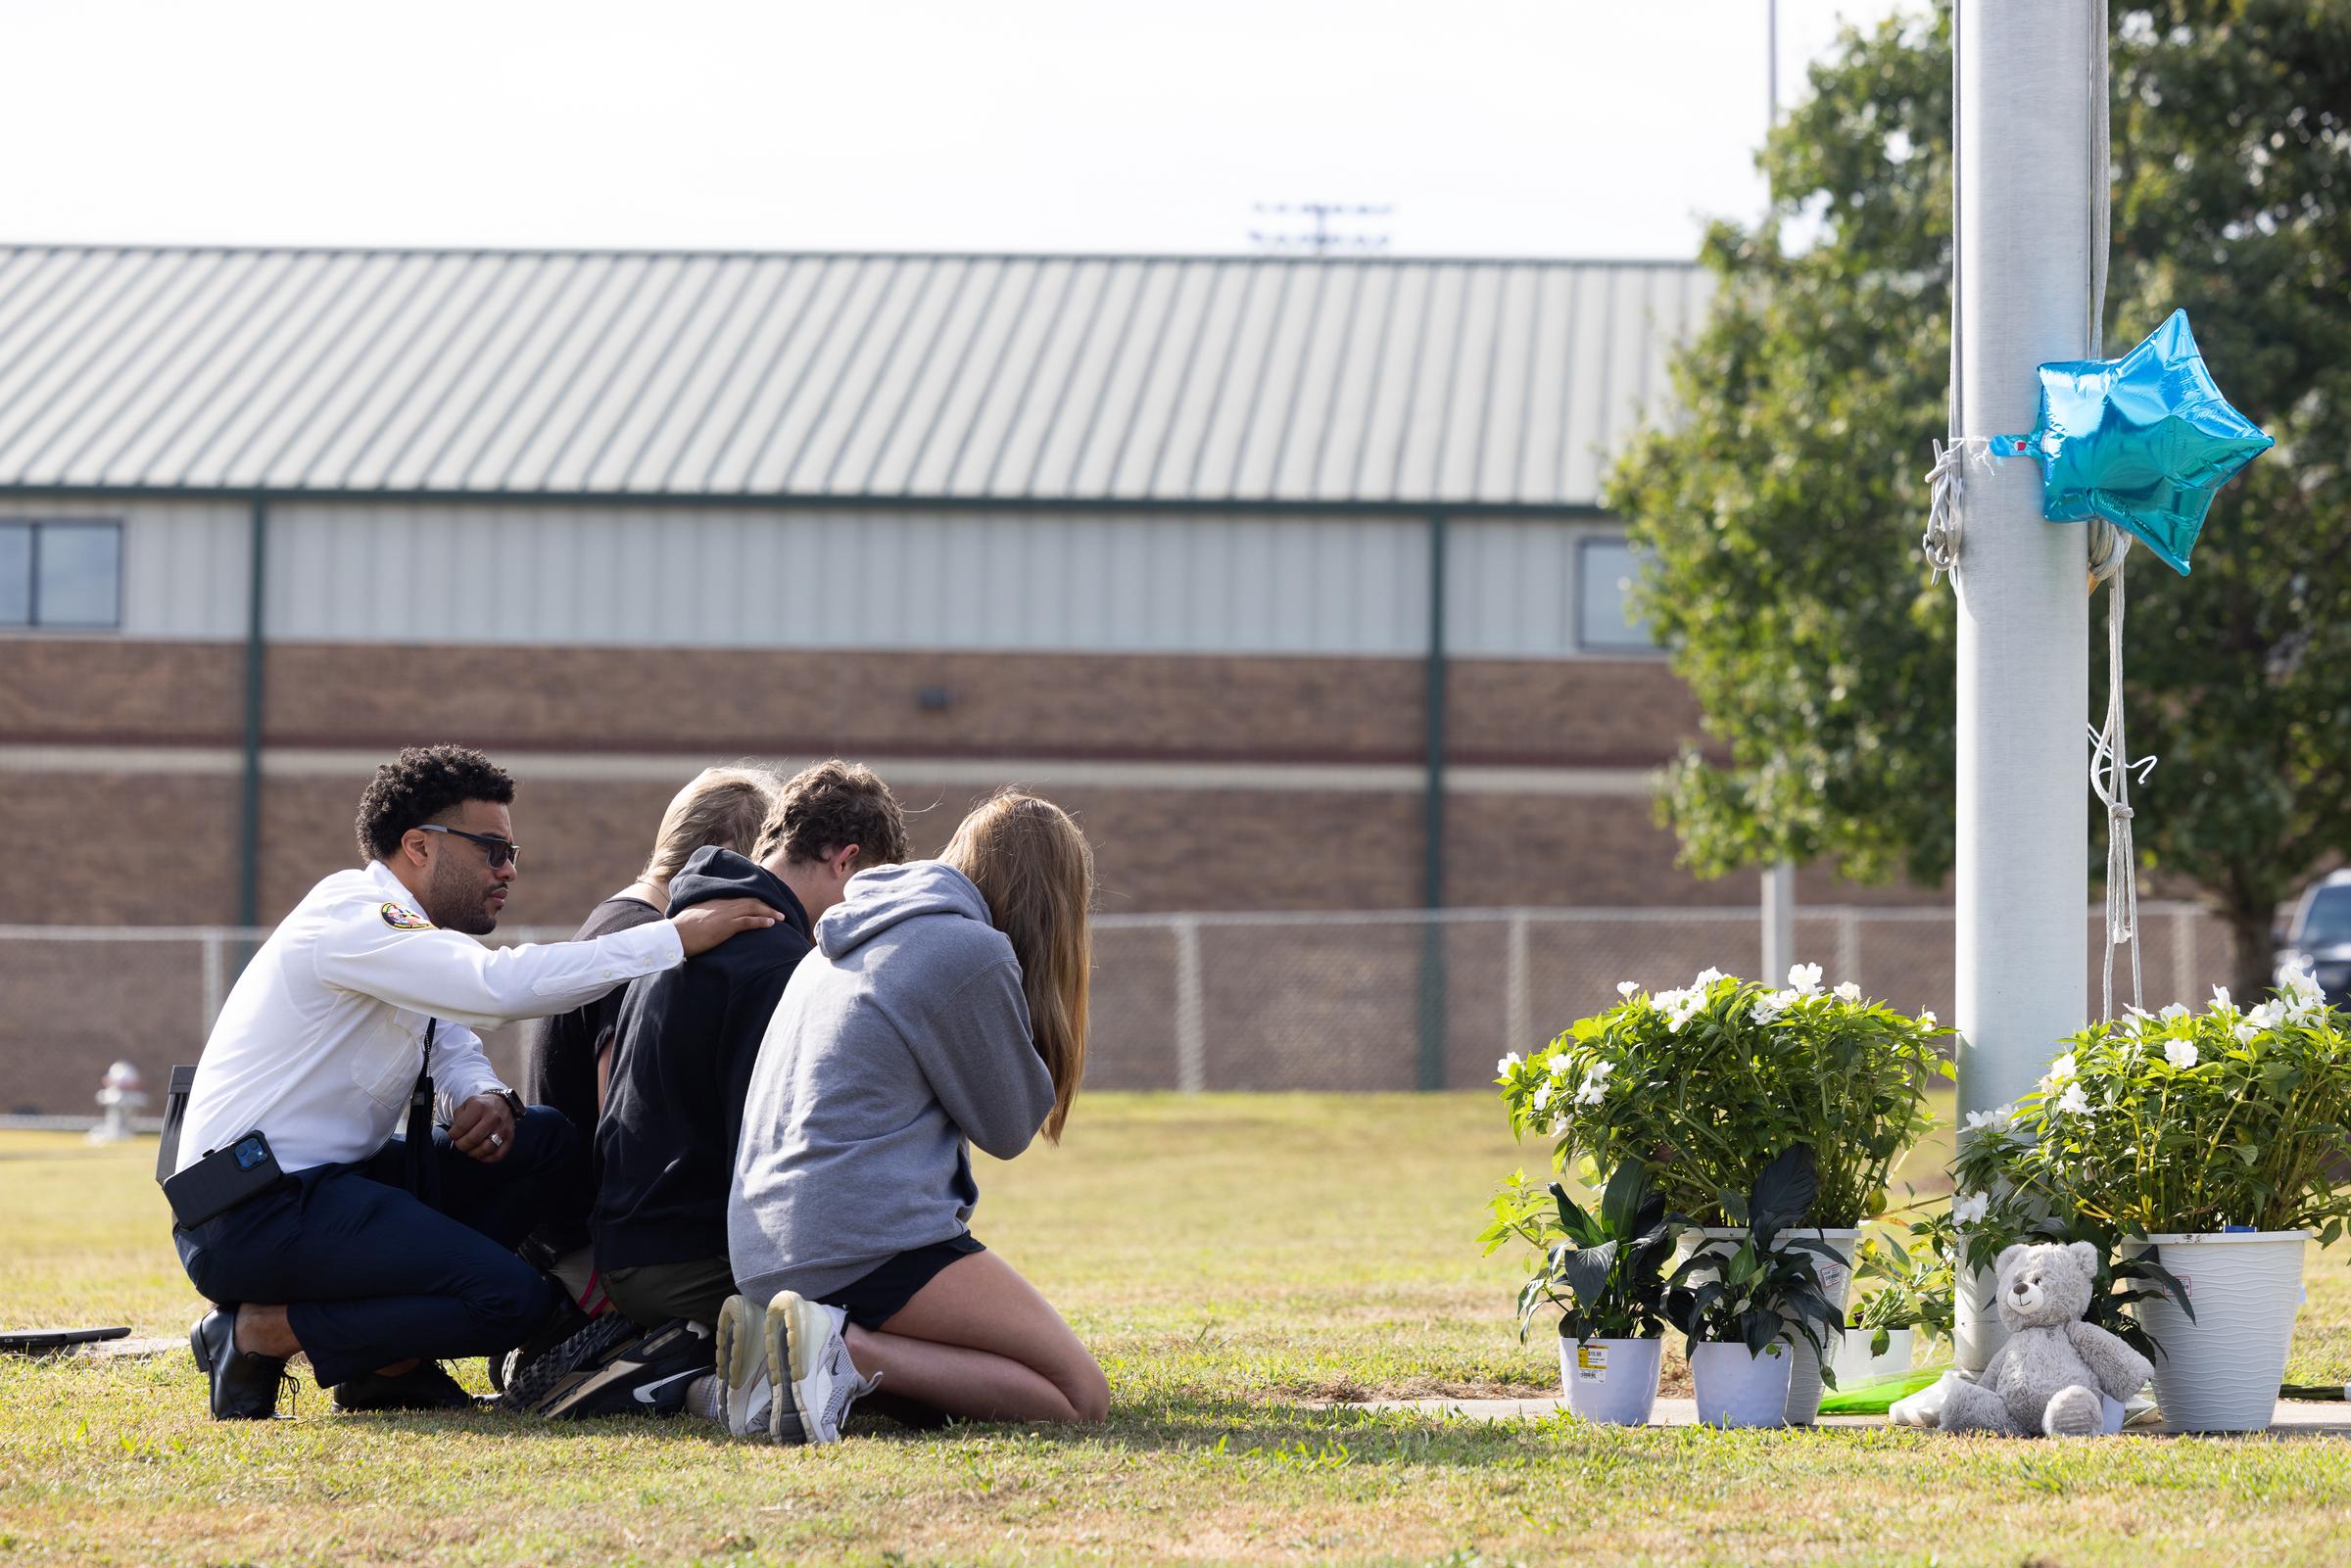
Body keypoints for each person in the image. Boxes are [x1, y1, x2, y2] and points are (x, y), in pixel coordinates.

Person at [171, 744, 780, 1420]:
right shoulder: (355, 913)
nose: (509, 869)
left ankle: (383, 1359)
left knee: (542, 1139)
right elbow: (493, 987)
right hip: (252, 1211)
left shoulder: (406, 934)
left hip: (328, 1188)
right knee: (511, 1302)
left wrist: (479, 1094)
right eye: (492, 849)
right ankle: (259, 1333)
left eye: (512, 851)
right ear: (419, 846)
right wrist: (672, 938)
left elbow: (451, 1038)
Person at [717, 790, 1108, 1443]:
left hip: (764, 1252)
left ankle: (782, 1361)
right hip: (858, 1241)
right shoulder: (965, 947)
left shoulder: (837, 938)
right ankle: (842, 1350)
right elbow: (1009, 1126)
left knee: (970, 1379)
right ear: (1053, 901)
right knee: (1079, 1396)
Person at [526, 764, 911, 1418]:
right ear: (847, 862)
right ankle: (671, 1368)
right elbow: (772, 1159)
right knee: (881, 1331)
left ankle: (676, 1351)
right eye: (872, 888)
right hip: (679, 1258)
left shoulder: (683, 930)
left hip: (626, 1244)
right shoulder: (775, 959)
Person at [517, 765, 779, 1304]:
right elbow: (627, 1128)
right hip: (590, 1252)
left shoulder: (620, 920)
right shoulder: (645, 941)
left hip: (575, 1234)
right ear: (724, 852)